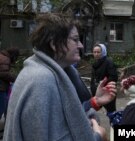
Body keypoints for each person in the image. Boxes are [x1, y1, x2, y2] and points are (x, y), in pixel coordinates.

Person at [3, 13, 116, 141]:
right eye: (75, 39)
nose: (81, 45)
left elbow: (65, 117)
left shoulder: (43, 72)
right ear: (54, 44)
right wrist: (97, 136)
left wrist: (94, 101)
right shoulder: (41, 81)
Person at [91, 43, 118, 114]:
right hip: (97, 93)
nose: (96, 54)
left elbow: (114, 77)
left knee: (111, 113)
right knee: (92, 111)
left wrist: (103, 84)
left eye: (98, 52)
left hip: (107, 92)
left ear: (102, 52)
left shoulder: (108, 62)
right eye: (94, 52)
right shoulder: (95, 64)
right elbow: (93, 79)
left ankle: (113, 125)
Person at [0, 48, 19, 118]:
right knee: (1, 108)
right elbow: (4, 73)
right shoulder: (6, 59)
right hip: (1, 88)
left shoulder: (2, 55)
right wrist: (16, 78)